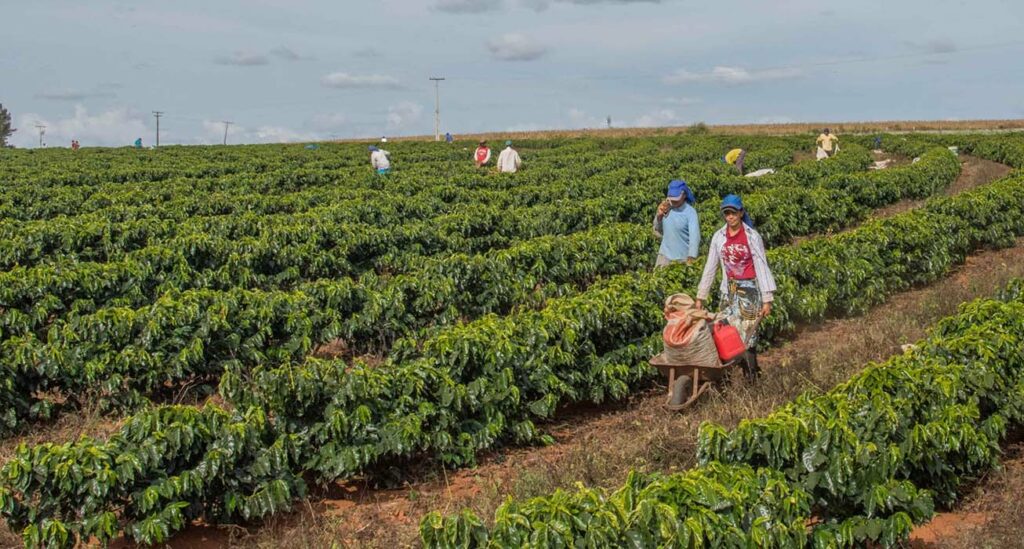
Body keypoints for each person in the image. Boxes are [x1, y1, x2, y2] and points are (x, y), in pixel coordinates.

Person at [696, 194, 776, 378]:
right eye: (727, 213)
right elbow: (711, 266)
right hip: (729, 290)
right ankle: (727, 376)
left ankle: (751, 375)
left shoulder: (751, 236)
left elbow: (761, 266)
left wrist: (767, 299)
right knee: (724, 329)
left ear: (741, 213)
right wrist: (701, 296)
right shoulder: (719, 237)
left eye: (733, 213)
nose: (730, 217)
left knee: (748, 334)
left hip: (749, 290)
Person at [653, 179, 700, 268]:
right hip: (664, 256)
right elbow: (657, 231)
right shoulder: (666, 207)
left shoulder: (690, 212)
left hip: (681, 259)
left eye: (676, 200)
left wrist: (691, 257)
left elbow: (695, 237)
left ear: (684, 195)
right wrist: (659, 217)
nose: (673, 202)